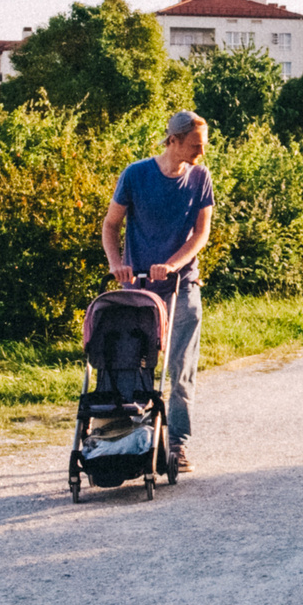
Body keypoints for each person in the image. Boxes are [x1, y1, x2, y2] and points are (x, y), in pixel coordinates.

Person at [101, 111, 215, 470]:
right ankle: (133, 440)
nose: (201, 152)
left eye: (204, 145)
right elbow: (110, 224)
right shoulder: (136, 175)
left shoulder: (200, 178)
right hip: (139, 287)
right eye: (195, 146)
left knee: (180, 370)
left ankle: (177, 445)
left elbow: (201, 233)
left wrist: (175, 264)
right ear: (173, 141)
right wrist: (116, 263)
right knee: (137, 365)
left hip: (183, 284)